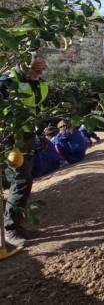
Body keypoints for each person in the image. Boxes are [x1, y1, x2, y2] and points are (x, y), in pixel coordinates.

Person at [0, 55, 49, 247]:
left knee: (26, 180)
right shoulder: (7, 83)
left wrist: (42, 134)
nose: (40, 74)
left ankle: (16, 226)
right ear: (22, 64)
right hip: (10, 140)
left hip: (28, 140)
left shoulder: (38, 84)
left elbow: (39, 111)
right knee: (20, 181)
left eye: (42, 70)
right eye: (36, 70)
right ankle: (9, 229)